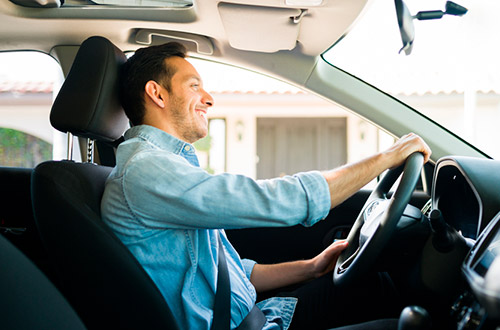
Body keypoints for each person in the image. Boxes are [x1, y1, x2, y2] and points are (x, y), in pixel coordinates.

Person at [100, 42, 431, 330]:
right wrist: (387, 157)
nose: (208, 98)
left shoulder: (162, 165)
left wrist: (312, 267)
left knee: (377, 287)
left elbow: (226, 270)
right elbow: (274, 200)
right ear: (157, 93)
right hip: (246, 324)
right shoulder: (147, 170)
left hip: (260, 316)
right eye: (194, 86)